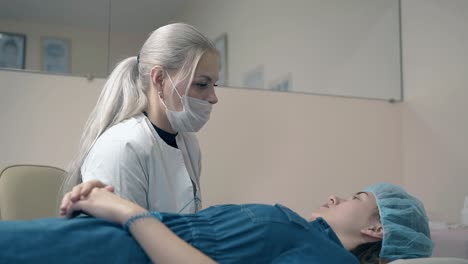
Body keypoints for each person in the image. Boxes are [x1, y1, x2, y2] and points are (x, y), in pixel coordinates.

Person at [1, 182, 432, 264]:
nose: (336, 196)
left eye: (356, 198)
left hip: (114, 250)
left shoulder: (327, 260)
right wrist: (99, 202)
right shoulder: (305, 234)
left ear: (376, 230)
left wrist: (127, 212)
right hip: (97, 235)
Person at [61, 23, 220, 214]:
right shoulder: (122, 147)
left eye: (214, 85)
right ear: (159, 79)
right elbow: (123, 239)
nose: (213, 97)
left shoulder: (188, 142)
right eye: (202, 84)